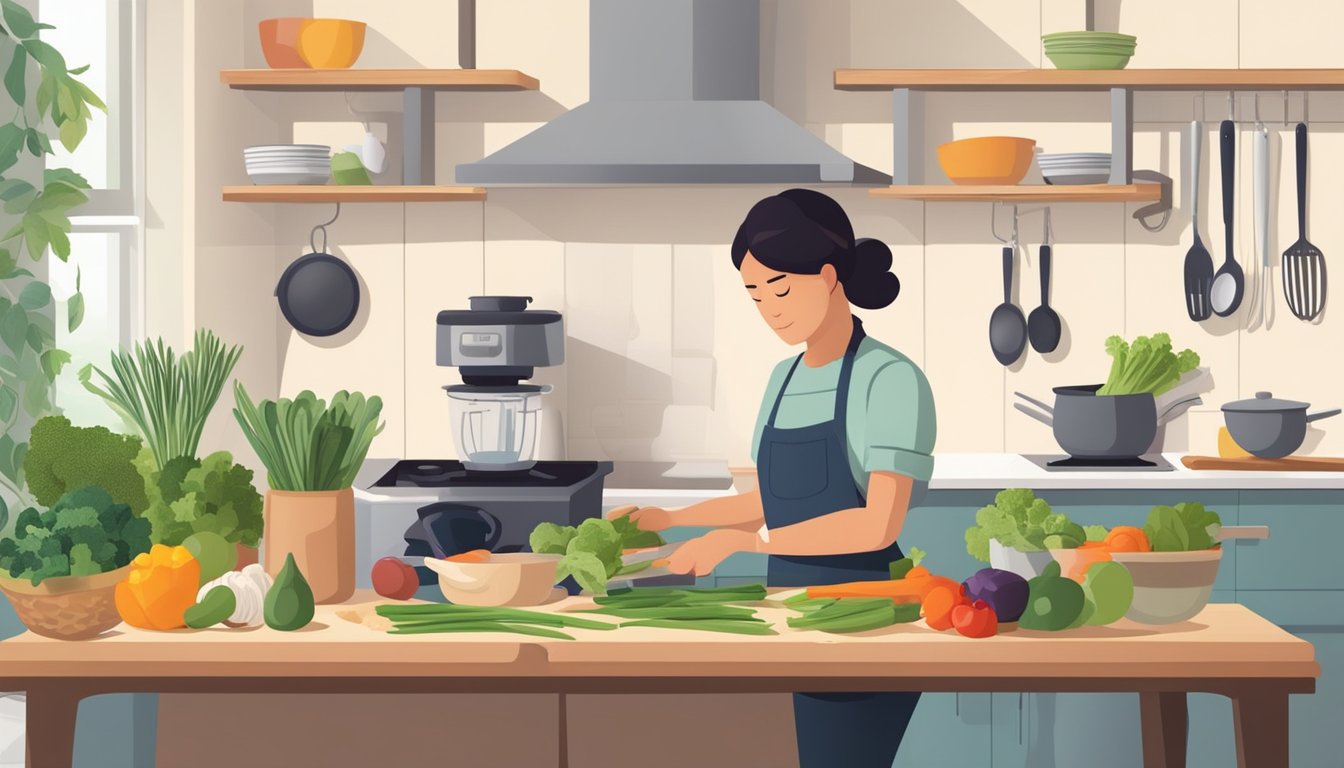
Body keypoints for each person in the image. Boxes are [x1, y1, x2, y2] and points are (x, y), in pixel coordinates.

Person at [611, 188, 937, 768]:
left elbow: (877, 523)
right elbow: (772, 499)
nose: (769, 308)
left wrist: (748, 544)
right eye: (755, 294)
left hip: (859, 620)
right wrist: (670, 520)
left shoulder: (889, 379)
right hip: (786, 618)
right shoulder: (781, 379)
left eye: (780, 287)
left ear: (830, 275)